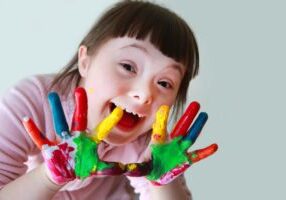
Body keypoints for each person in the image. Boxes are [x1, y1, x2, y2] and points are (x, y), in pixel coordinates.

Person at [0, 1, 214, 199]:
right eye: (128, 67)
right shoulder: (31, 102)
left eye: (164, 83)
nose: (145, 94)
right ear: (85, 61)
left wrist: (161, 182)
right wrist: (48, 177)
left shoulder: (150, 142)